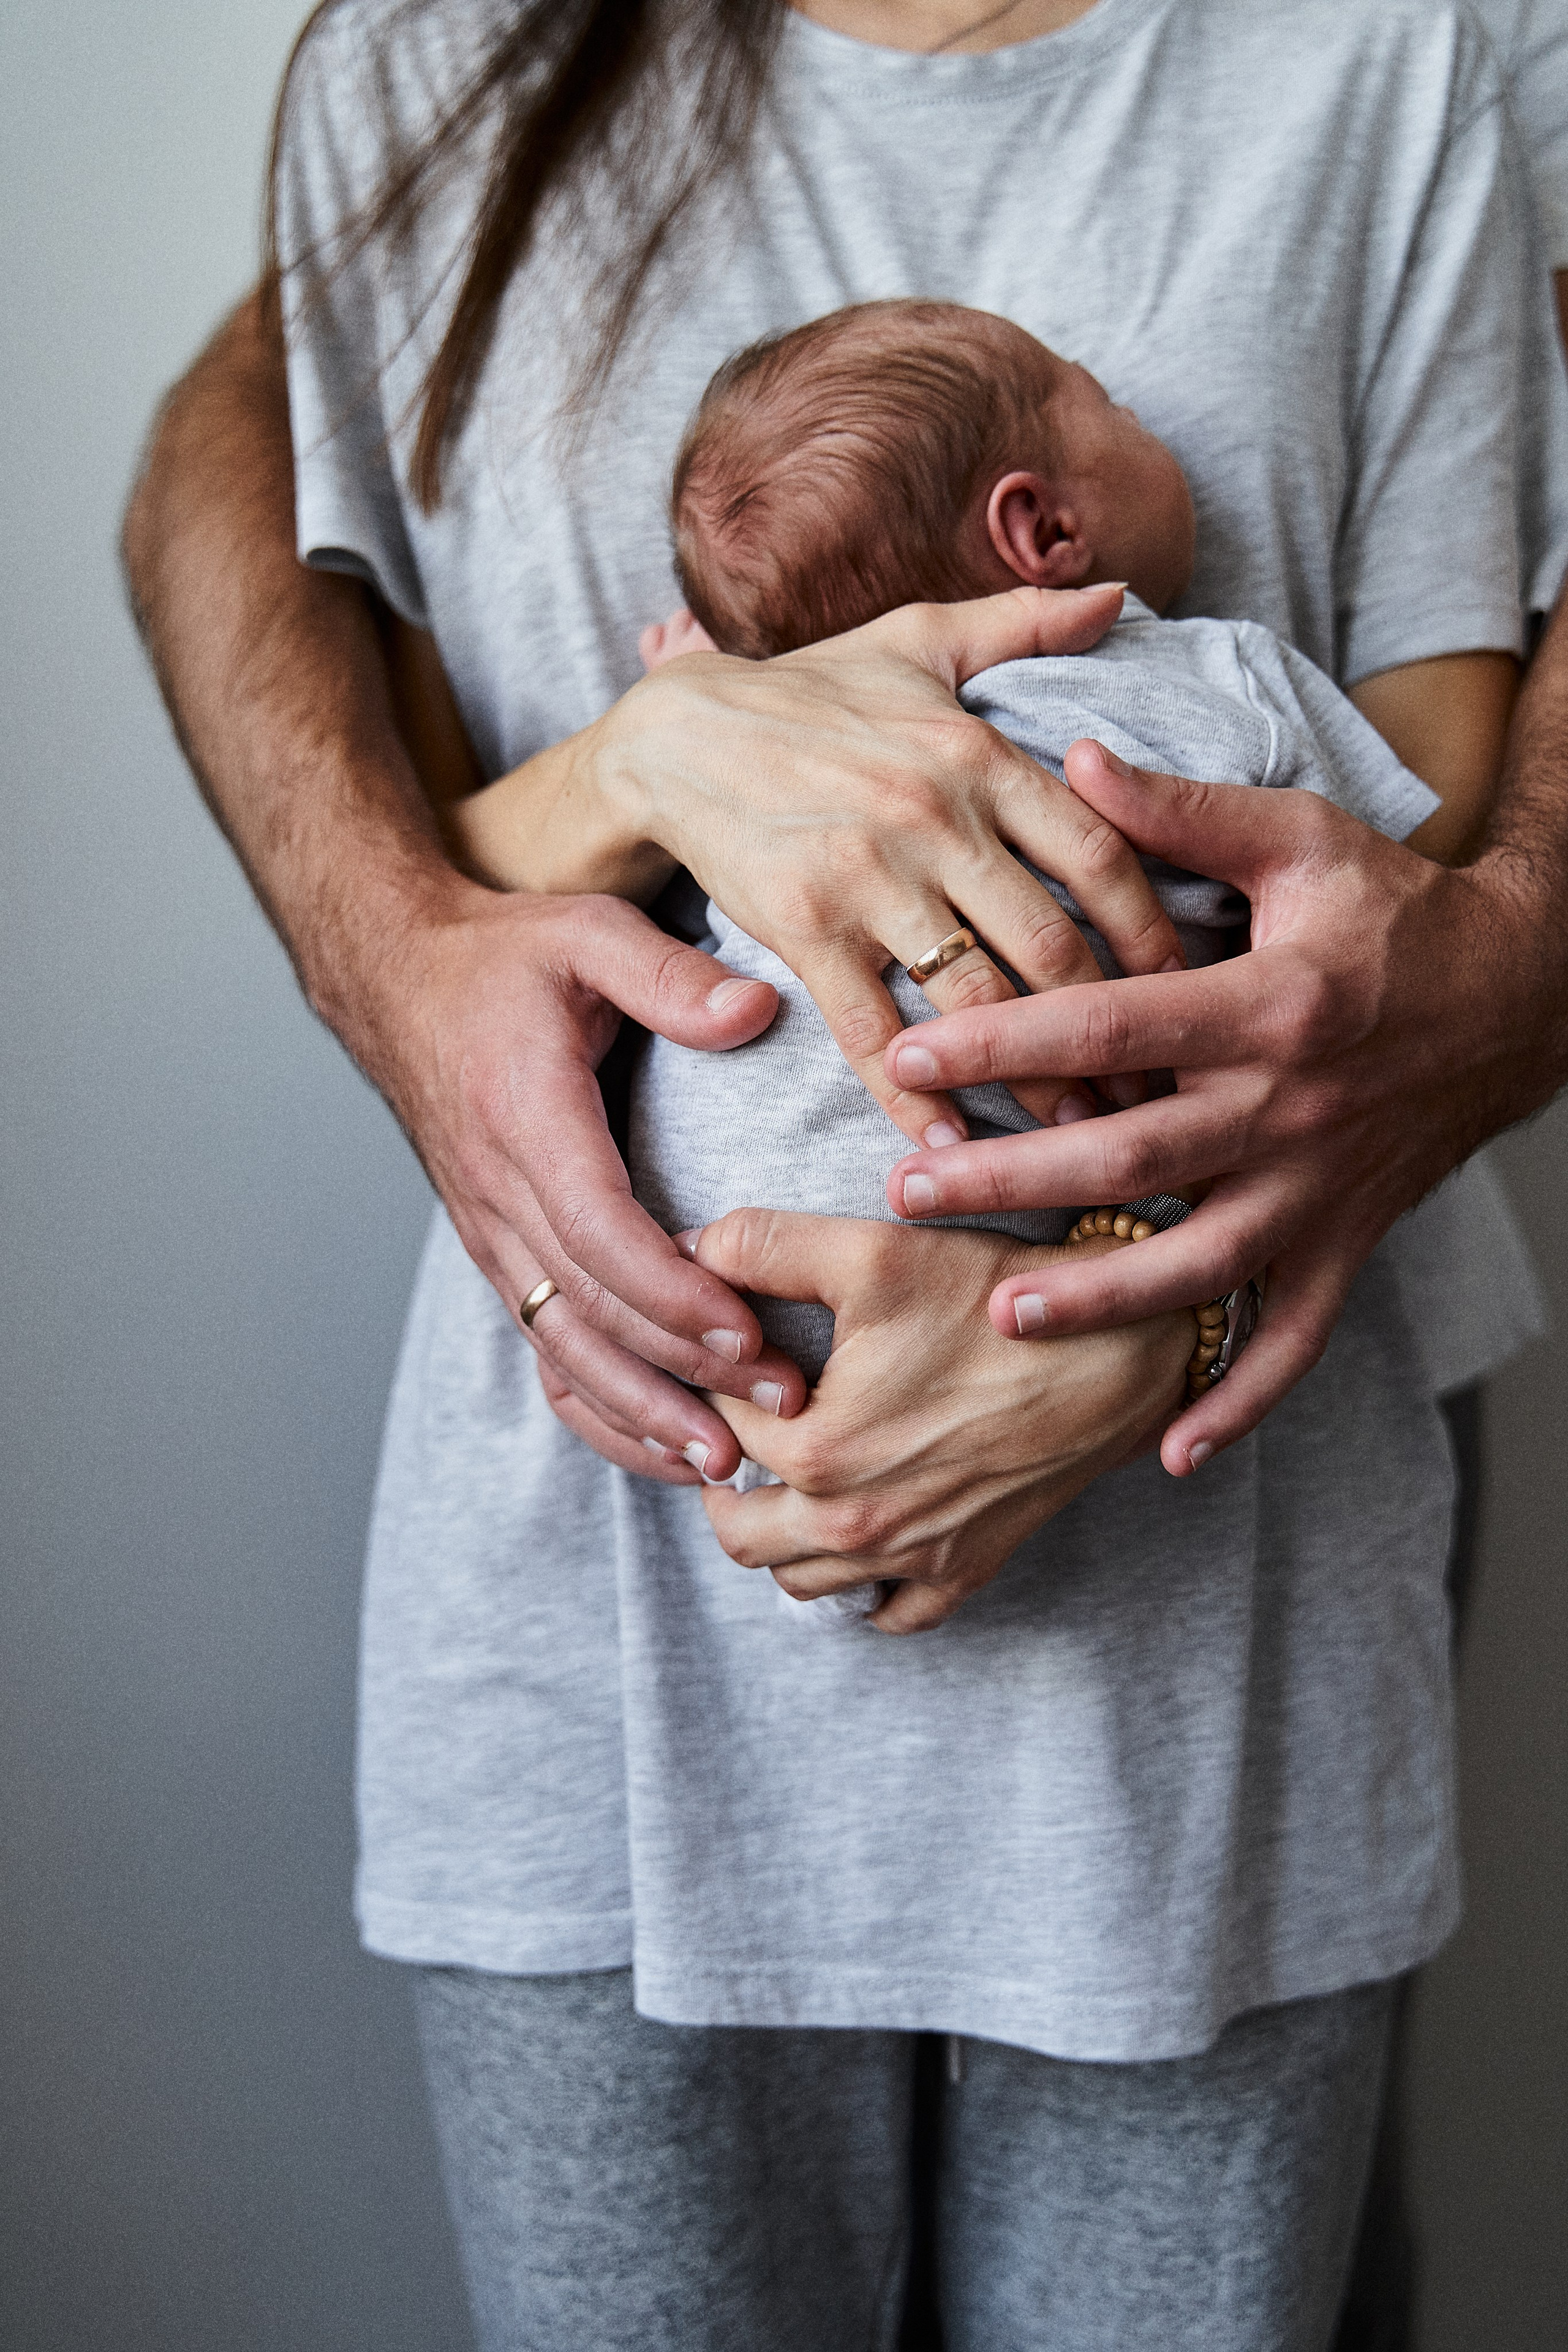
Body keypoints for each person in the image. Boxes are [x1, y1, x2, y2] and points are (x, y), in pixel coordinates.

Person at [121, 1, 1567, 2345]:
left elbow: (1426, 903)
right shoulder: (431, 63)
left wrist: (1141, 1294)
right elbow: (417, 892)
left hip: (1221, 1547)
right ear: (1039, 524)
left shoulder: (1389, 57)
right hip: (598, 1549)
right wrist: (675, 745)